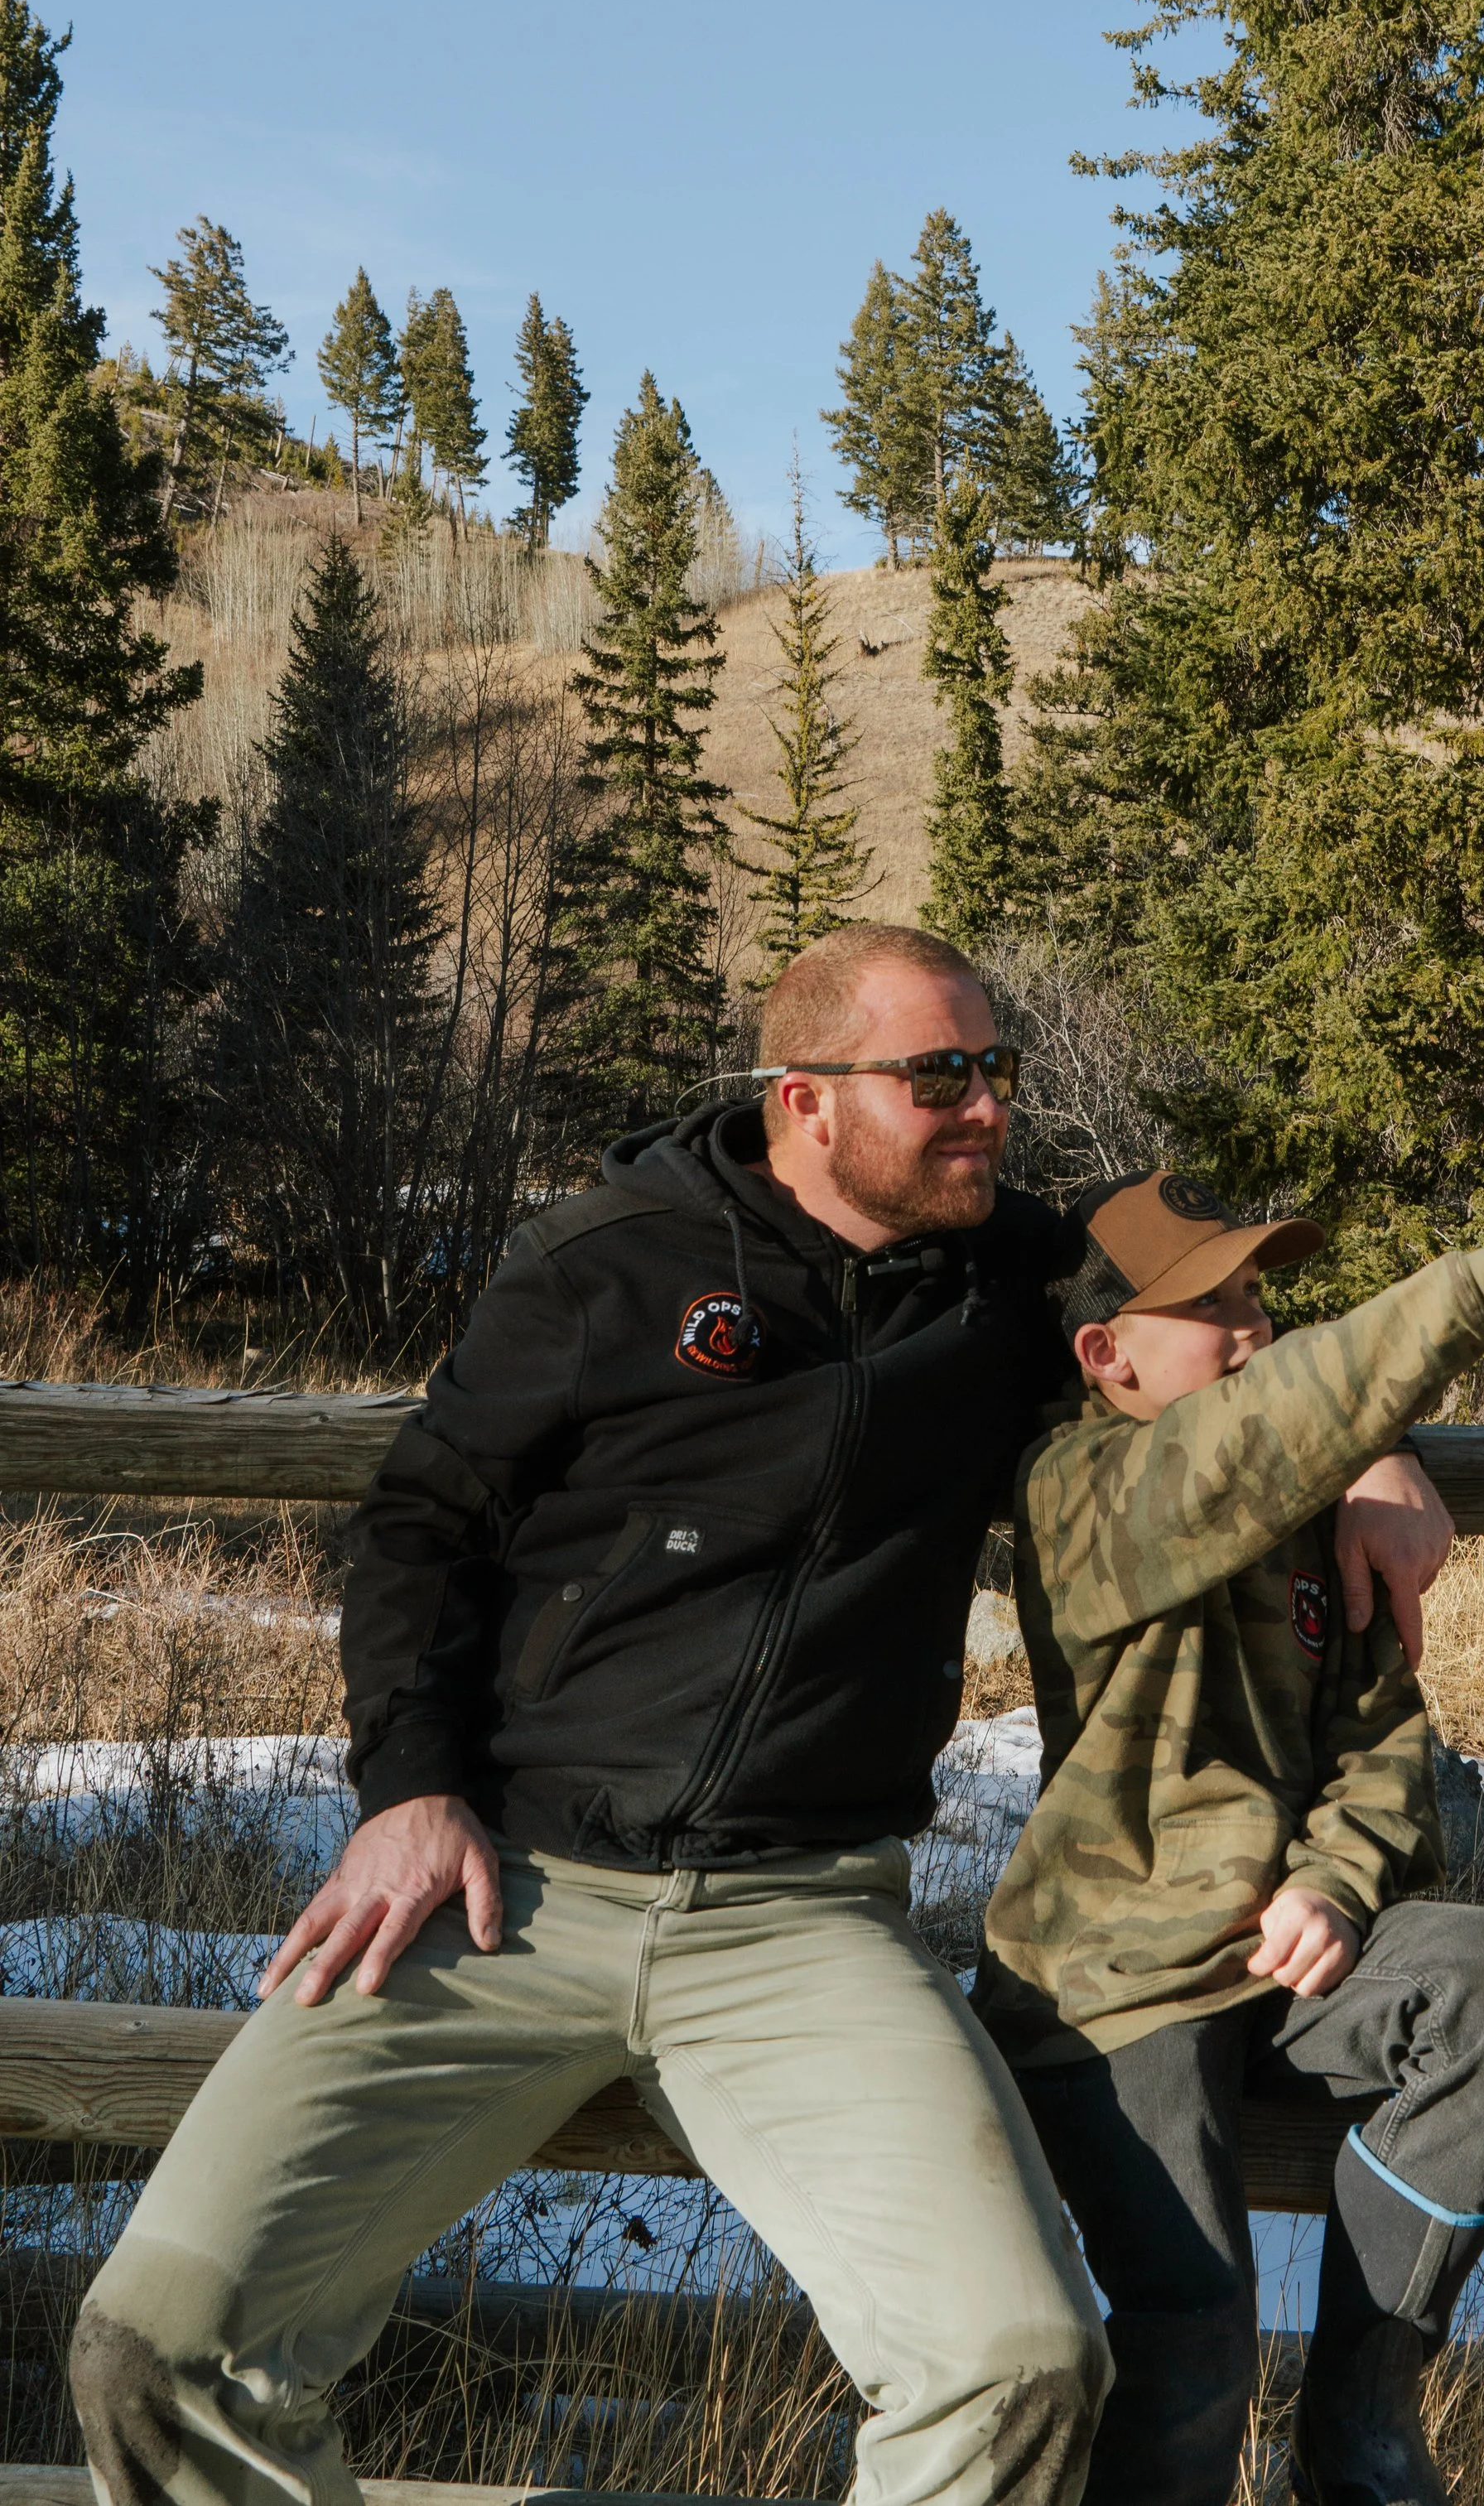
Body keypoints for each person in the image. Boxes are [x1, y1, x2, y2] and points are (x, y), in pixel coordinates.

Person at [71, 923, 1126, 2506]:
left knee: (1023, 2363)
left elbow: (1204, 1319)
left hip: (801, 1918)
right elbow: (420, 1528)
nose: (986, 1108)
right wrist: (408, 1788)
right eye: (940, 1076)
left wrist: (1373, 1458)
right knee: (161, 2349)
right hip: (506, 1891)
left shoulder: (1007, 1283)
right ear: (808, 1100)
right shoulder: (605, 1262)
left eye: (997, 1070)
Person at [974, 1170, 1484, 2506]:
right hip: (1118, 1977)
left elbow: (1378, 1736)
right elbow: (1256, 1436)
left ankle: (1362, 2424)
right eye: (1211, 1306)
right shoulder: (1083, 1491)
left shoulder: (1311, 1515)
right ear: (1106, 1355)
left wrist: (1340, 1883)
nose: (1254, 1328)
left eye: (1257, 1296)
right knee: (1192, 2349)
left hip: (1291, 1960)